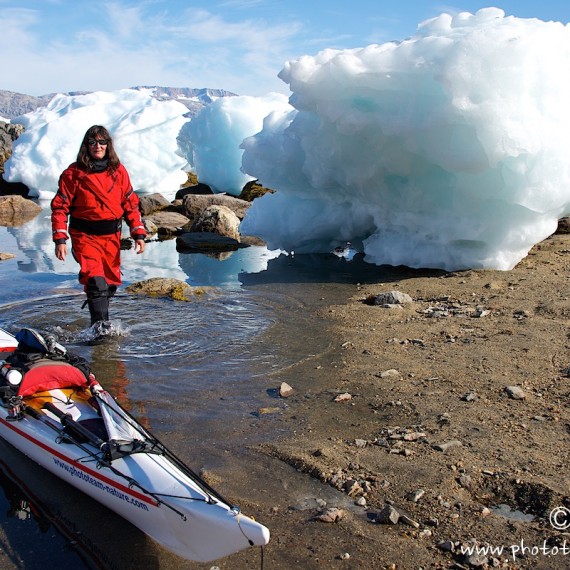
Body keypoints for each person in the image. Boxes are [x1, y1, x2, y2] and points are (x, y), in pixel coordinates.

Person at [51, 125, 146, 336]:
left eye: (102, 142)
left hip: (111, 237)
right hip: (84, 236)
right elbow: (60, 207)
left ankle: (99, 325)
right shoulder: (73, 174)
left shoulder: (118, 171)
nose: (98, 146)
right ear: (86, 146)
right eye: (93, 142)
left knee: (109, 285)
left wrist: (138, 233)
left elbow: (130, 204)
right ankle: (101, 333)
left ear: (108, 145)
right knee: (95, 281)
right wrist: (60, 239)